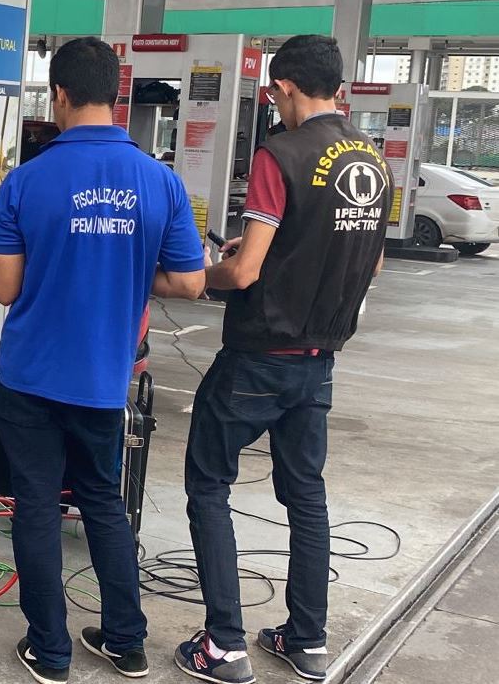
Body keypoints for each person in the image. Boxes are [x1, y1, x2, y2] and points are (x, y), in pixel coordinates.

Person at [0, 37, 207, 684]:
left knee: (35, 507)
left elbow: (4, 287)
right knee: (103, 503)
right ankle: (126, 642)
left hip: (30, 376)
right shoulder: (160, 180)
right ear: (116, 95)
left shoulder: (25, 181)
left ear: (58, 94)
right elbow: (191, 283)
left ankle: (50, 652)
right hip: (103, 379)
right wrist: (133, 273)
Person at [176, 35, 390, 684]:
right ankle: (306, 639)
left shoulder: (282, 153)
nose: (274, 102)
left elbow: (243, 273)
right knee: (306, 494)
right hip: (320, 359)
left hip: (258, 355)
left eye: (274, 93)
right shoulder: (372, 160)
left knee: (208, 482)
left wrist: (192, 277)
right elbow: (369, 259)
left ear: (288, 87)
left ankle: (224, 646)